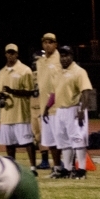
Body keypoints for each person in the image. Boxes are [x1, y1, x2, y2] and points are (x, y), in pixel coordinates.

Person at [43, 45, 92, 179]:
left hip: (74, 108)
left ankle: (81, 170)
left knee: (78, 140)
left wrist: (82, 110)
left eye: (67, 55)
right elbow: (54, 92)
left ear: (72, 56)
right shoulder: (58, 72)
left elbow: (86, 91)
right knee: (64, 141)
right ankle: (68, 169)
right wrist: (47, 107)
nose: (64, 59)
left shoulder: (79, 71)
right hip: (60, 110)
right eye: (62, 56)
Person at [0, 43, 37, 175]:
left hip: (21, 113)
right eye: (8, 53)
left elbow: (30, 92)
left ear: (17, 54)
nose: (10, 55)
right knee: (9, 144)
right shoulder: (1, 72)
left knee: (27, 142)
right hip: (6, 113)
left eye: (13, 53)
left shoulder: (25, 70)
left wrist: (12, 91)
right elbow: (0, 90)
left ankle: (32, 168)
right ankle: (12, 167)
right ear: (5, 54)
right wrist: (0, 95)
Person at [36, 33, 64, 176]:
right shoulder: (40, 61)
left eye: (50, 42)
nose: (47, 44)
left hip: (57, 106)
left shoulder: (60, 59)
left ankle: (67, 167)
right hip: (44, 107)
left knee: (61, 140)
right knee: (51, 141)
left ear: (55, 44)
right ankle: (57, 168)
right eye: (45, 42)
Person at [31, 50, 50, 170]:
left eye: (38, 59)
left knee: (44, 136)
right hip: (32, 108)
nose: (36, 62)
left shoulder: (47, 74)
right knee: (36, 136)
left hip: (43, 108)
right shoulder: (29, 75)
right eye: (35, 60)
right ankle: (43, 161)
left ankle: (46, 161)